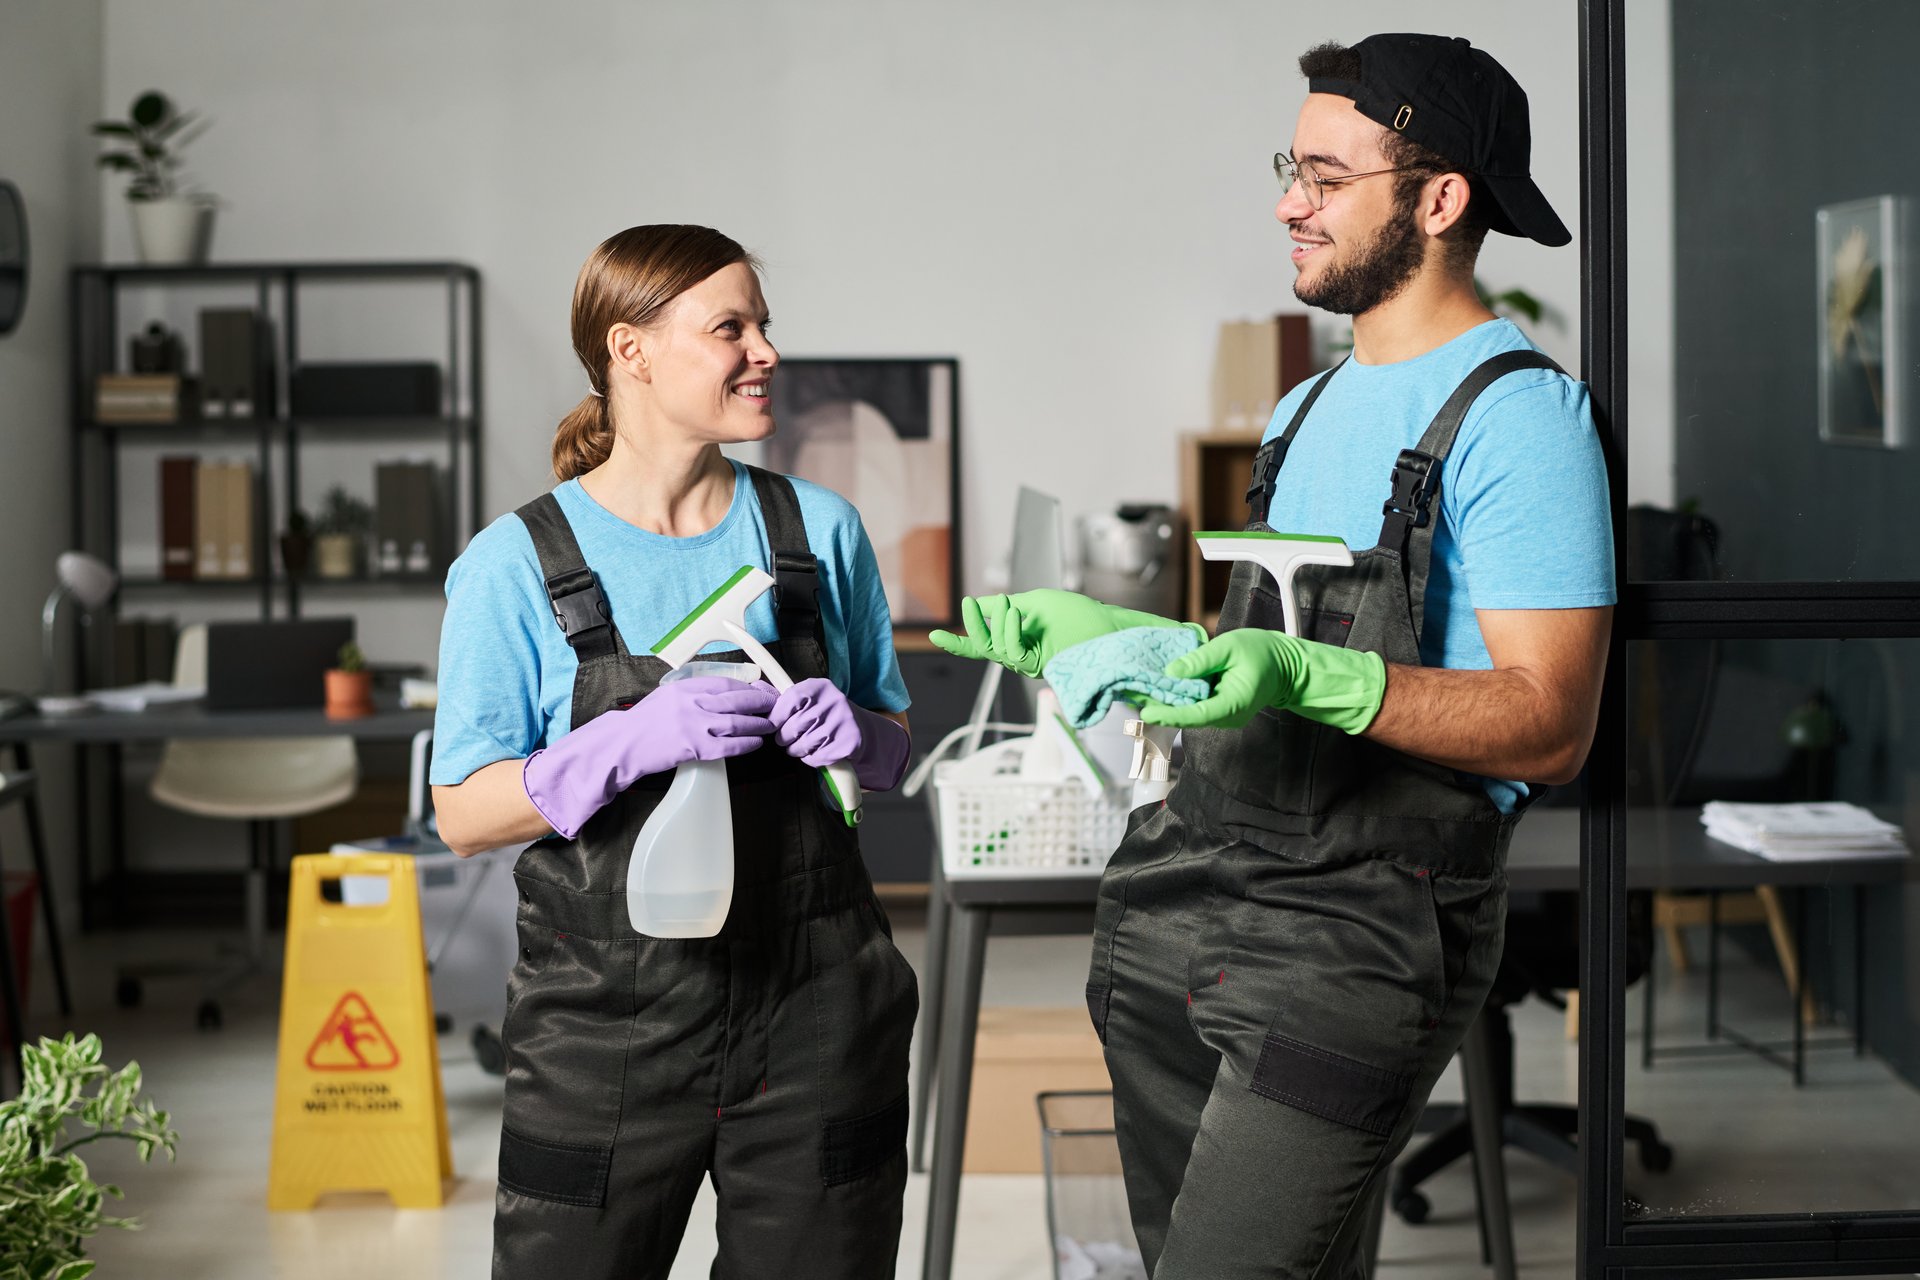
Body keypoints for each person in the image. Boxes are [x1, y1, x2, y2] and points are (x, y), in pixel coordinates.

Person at [933, 35, 1613, 1277]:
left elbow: (1551, 719)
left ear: (1440, 196)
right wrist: (1140, 639)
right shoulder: (1307, 408)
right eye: (1287, 167)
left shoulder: (1521, 414)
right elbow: (1257, 649)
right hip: (1183, 893)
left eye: (1324, 175)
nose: (1288, 202)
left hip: (1364, 926)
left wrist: (1322, 683)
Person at [429, 224, 918, 1279]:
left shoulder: (817, 531)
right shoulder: (517, 563)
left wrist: (860, 735)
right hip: (603, 1024)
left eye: (764, 326)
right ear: (630, 350)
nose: (766, 352)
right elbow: (463, 812)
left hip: (819, 1004)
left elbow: (893, 749)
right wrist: (620, 742)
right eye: (729, 327)